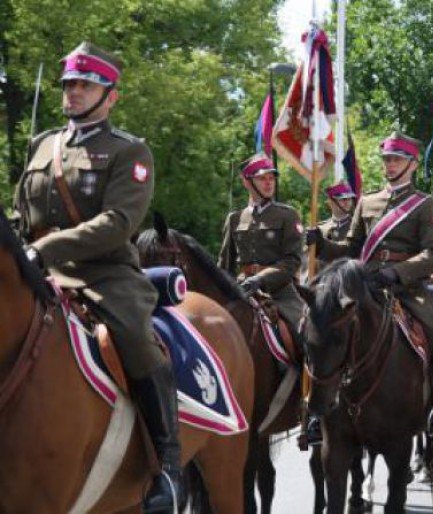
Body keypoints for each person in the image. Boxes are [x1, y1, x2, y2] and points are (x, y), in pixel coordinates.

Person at [14, 42, 180, 512]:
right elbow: (21, 214)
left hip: (102, 276)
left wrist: (42, 250)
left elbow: (119, 223)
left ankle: (167, 466)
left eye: (85, 85)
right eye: (69, 84)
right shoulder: (43, 144)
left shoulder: (129, 151)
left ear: (111, 96)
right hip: (36, 268)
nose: (73, 92)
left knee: (134, 338)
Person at [306, 131, 433, 437]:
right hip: (366, 285)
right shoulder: (368, 201)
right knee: (322, 326)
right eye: (387, 159)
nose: (389, 165)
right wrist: (321, 244)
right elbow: (351, 247)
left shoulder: (424, 205)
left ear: (412, 165)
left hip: (407, 288)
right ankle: (316, 406)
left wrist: (398, 272)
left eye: (396, 159)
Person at [217, 153, 305, 330]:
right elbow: (225, 265)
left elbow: (292, 261)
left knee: (305, 335)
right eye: (262, 178)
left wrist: (260, 279)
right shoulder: (234, 218)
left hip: (280, 292)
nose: (269, 183)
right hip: (241, 289)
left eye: (271, 178)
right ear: (247, 182)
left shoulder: (287, 215)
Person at [317, 181, 356, 265]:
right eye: (342, 199)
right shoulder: (320, 229)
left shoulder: (357, 226)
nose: (347, 202)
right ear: (330, 202)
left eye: (349, 199)